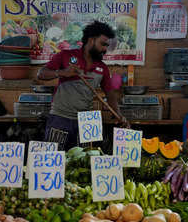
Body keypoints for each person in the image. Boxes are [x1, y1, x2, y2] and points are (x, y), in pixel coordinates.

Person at [37, 20, 129, 150]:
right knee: (53, 161)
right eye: (103, 44)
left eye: (107, 45)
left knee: (86, 162)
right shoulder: (65, 56)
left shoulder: (102, 67)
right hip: (60, 118)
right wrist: (62, 72)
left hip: (87, 121)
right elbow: (41, 74)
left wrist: (119, 115)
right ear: (91, 40)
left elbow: (110, 94)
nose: (105, 49)